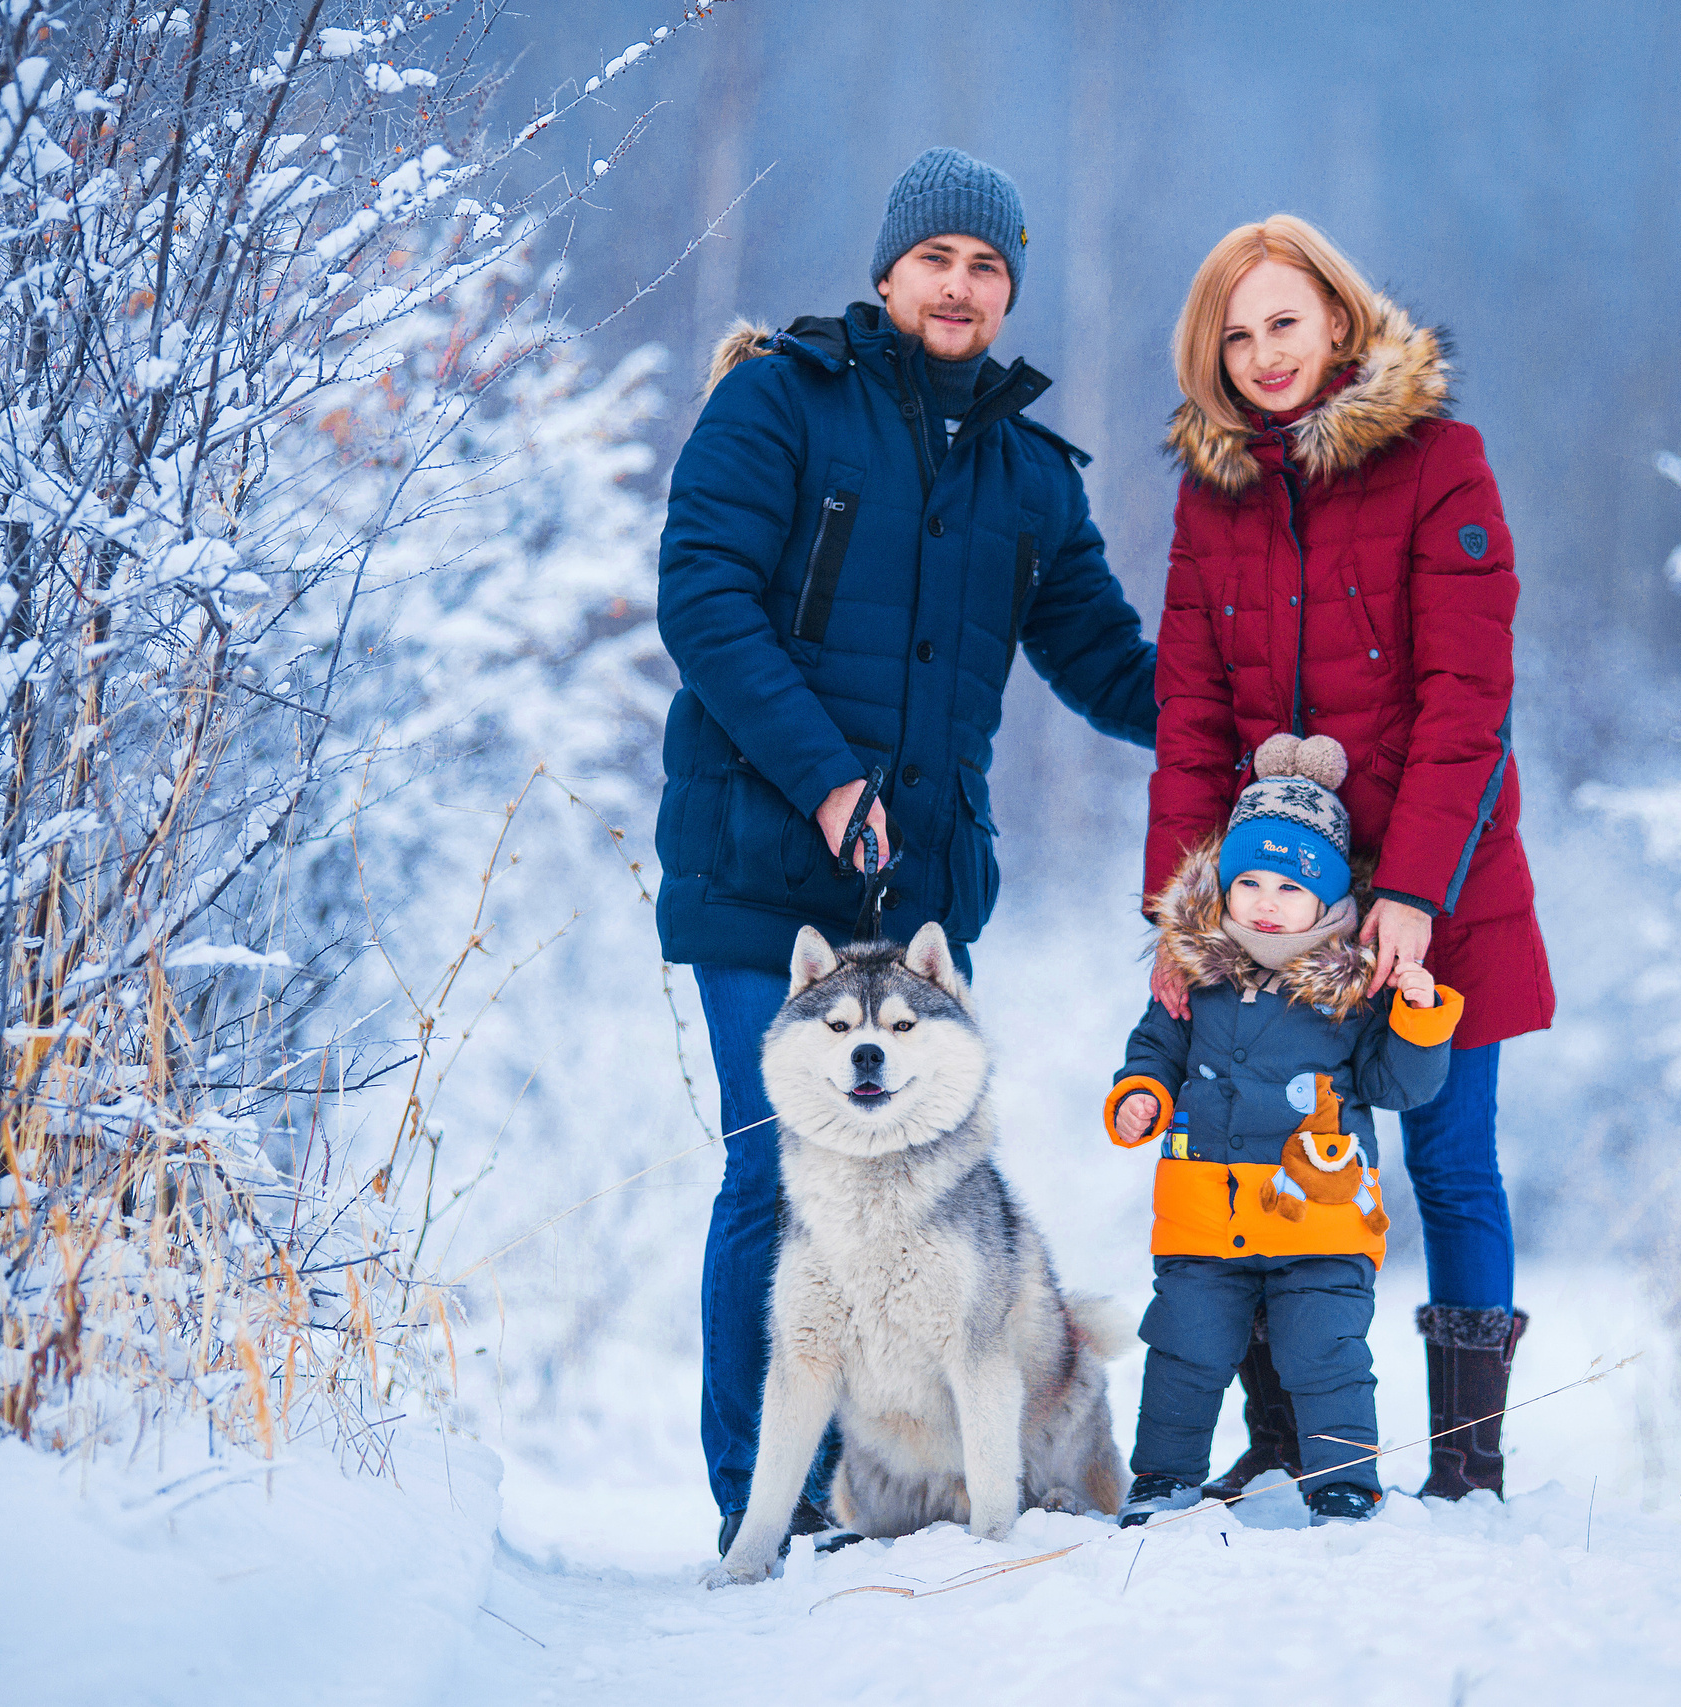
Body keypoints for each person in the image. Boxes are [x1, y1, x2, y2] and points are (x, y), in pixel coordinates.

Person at [654, 148, 1158, 1554]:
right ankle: (766, 1499)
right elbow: (699, 592)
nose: (962, 283)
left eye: (990, 266)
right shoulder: (779, 400)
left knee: (921, 1192)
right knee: (778, 1175)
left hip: (918, 895)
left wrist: (1236, 720)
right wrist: (823, 780)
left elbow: (1104, 658)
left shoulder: (1025, 472)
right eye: (938, 257)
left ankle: (891, 1479)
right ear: (888, 273)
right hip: (763, 864)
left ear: (1008, 296)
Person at [1146, 215, 1555, 1502]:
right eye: (1236, 333)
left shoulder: (1441, 465)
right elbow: (1194, 717)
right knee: (1258, 1159)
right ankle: (1283, 1442)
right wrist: (1180, 913)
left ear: (1336, 316)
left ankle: (1464, 1467)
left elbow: (1465, 699)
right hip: (1270, 911)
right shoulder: (1211, 497)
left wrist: (1415, 894)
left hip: (1446, 885)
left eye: (1284, 320)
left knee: (1447, 1158)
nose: (1264, 352)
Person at [1106, 734, 1463, 1525]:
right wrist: (1139, 1094)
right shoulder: (1192, 976)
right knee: (1183, 1349)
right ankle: (1163, 1478)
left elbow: (1396, 1083)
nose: (1266, 901)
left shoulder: (1351, 987)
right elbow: (1153, 1049)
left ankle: (1342, 1479)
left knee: (1326, 1351)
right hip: (1204, 1216)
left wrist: (1418, 1015)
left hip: (1323, 1216)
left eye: (1291, 885)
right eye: (1250, 882)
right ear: (1224, 889)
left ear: (1330, 899)